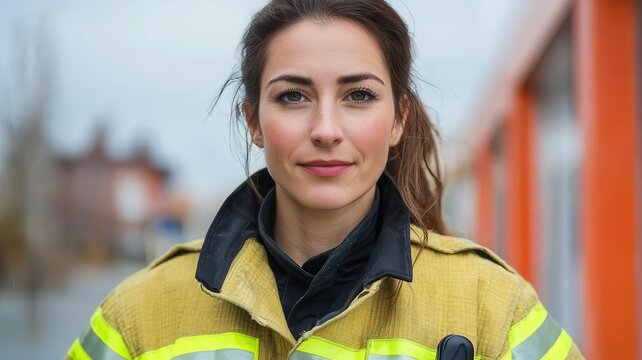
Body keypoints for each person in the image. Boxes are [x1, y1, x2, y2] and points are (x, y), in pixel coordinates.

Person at [65, 1, 584, 359]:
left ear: (399, 118)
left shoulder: (493, 311)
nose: (326, 130)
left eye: (358, 95)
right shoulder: (139, 314)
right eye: (293, 96)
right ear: (253, 121)